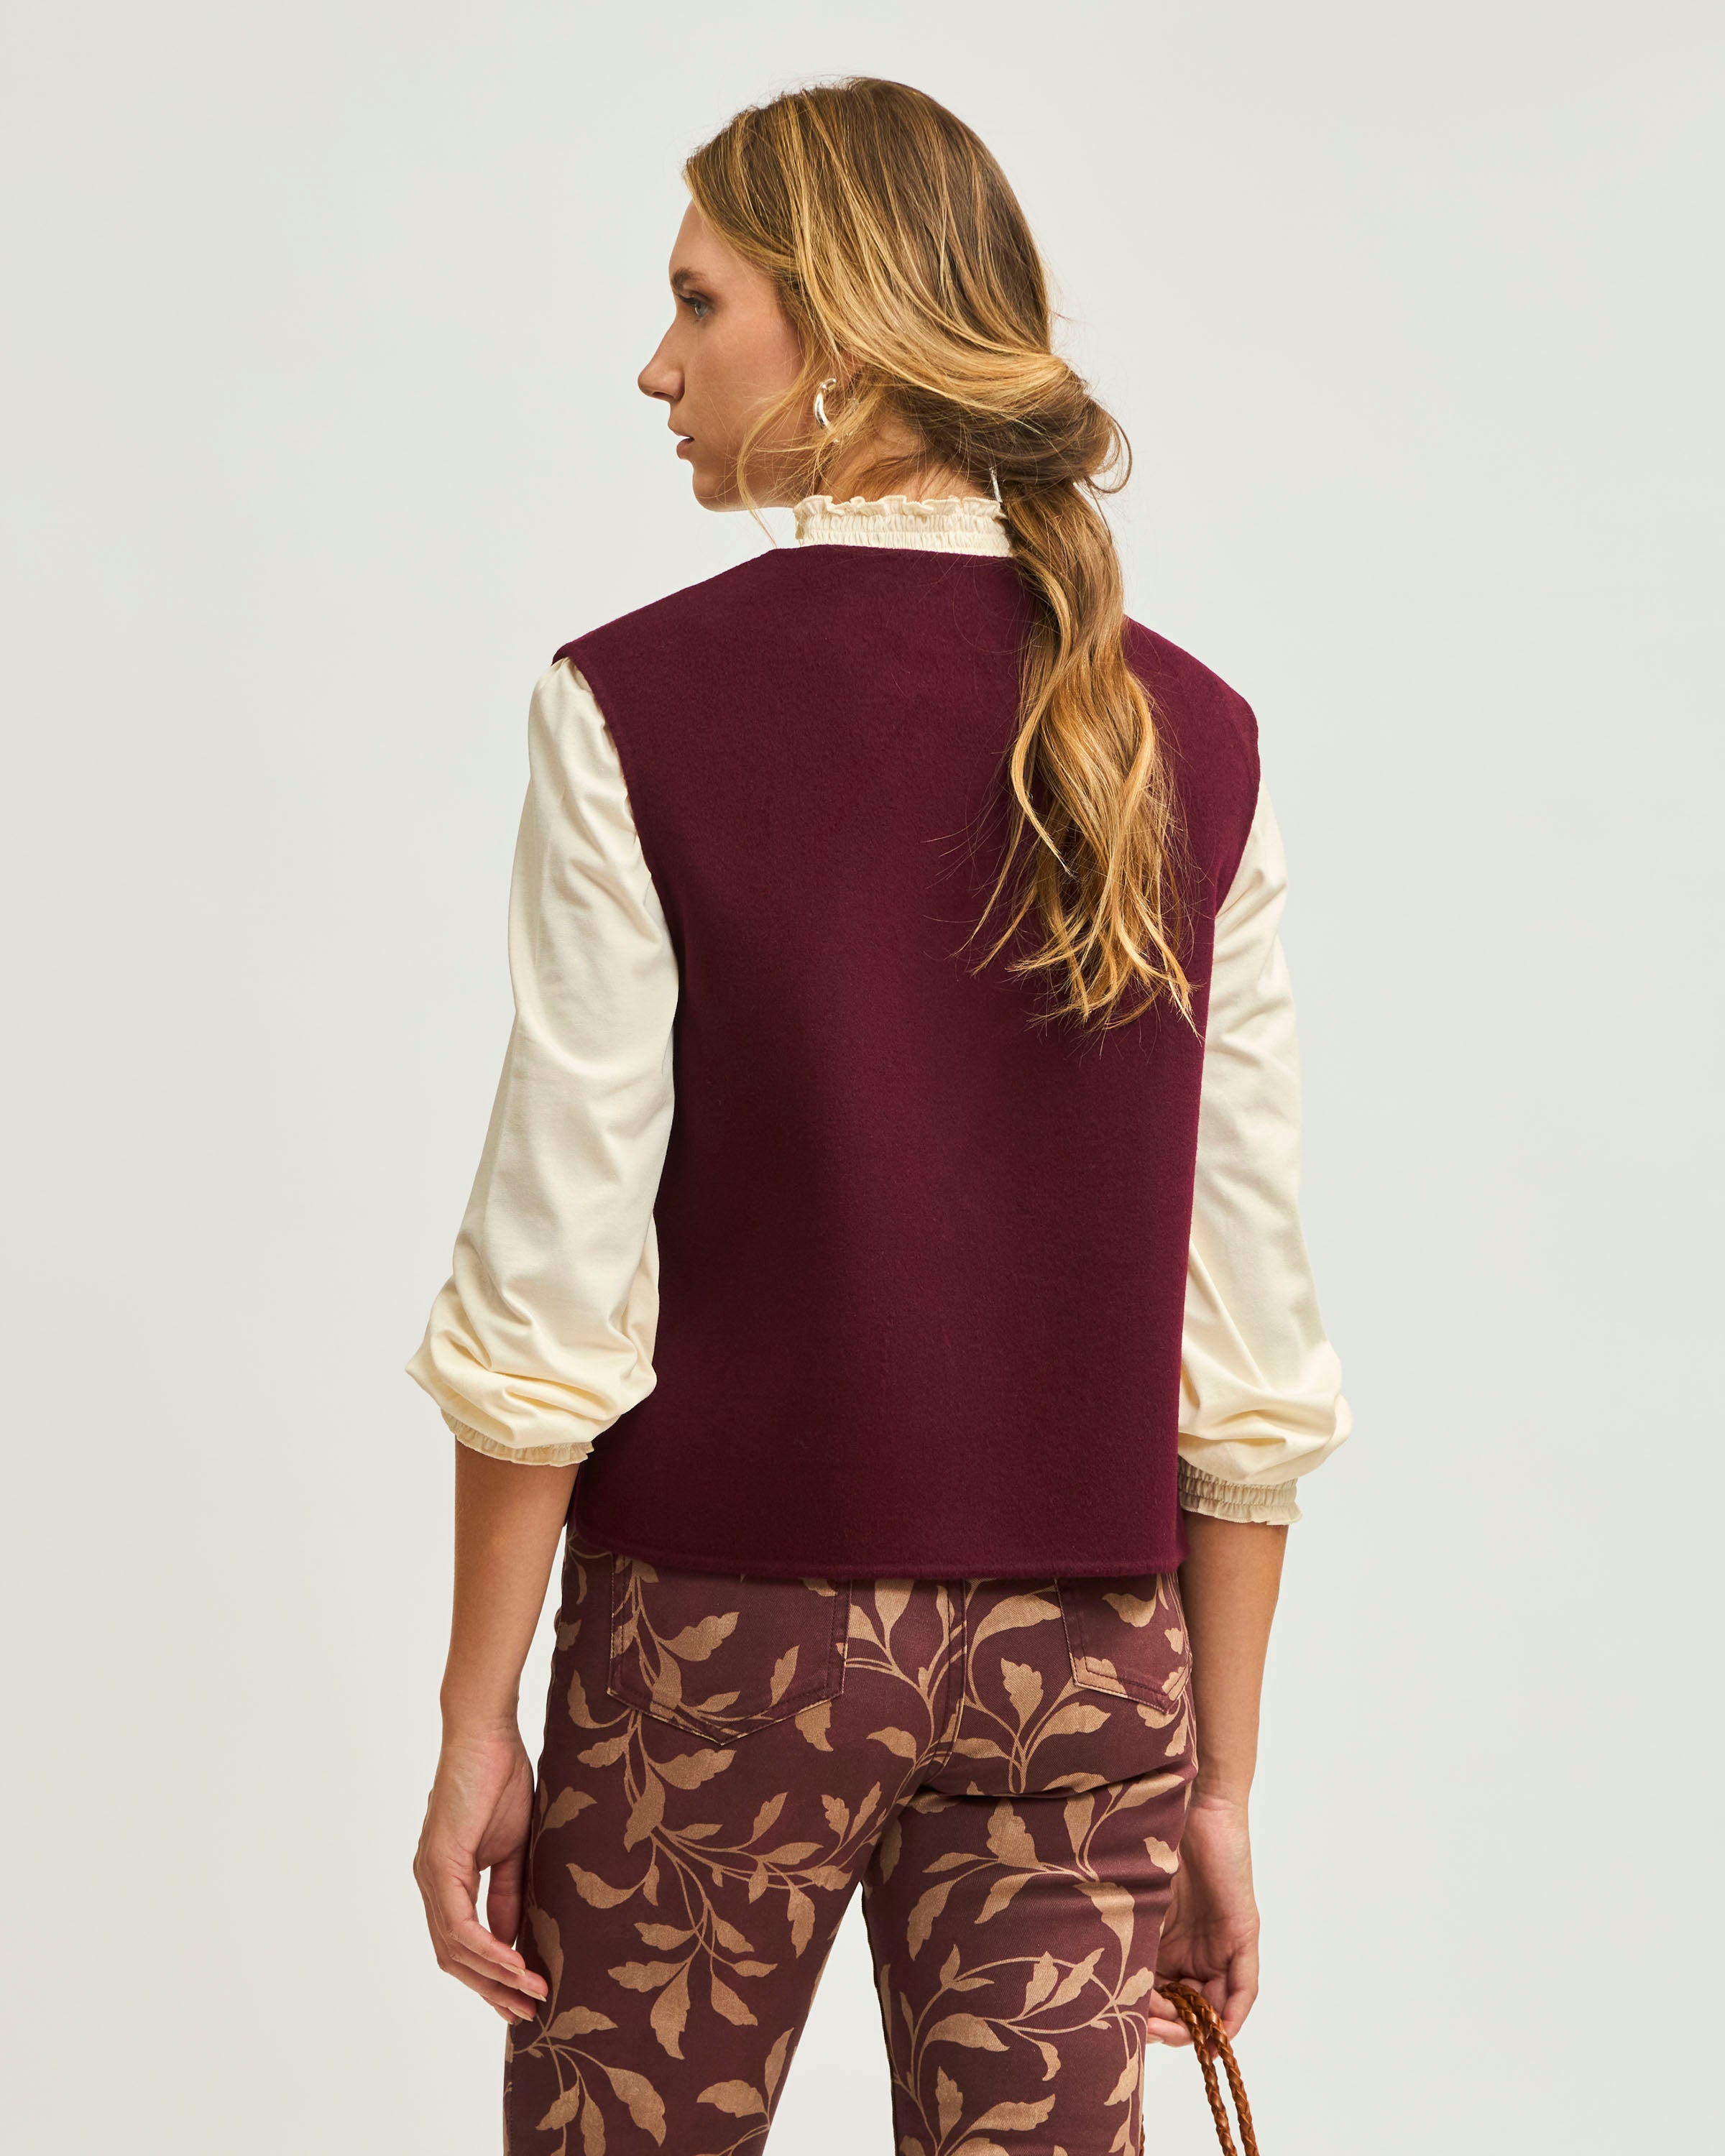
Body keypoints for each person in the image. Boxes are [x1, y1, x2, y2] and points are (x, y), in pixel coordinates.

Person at [408, 76, 1348, 2155]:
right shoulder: (1195, 733)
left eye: (698, 304)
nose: (657, 367)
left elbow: (555, 1272)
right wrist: (1218, 1779)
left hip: (716, 1648)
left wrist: (479, 1716)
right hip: (1090, 1667)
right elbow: (1249, 1329)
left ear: (835, 334)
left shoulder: (636, 704)